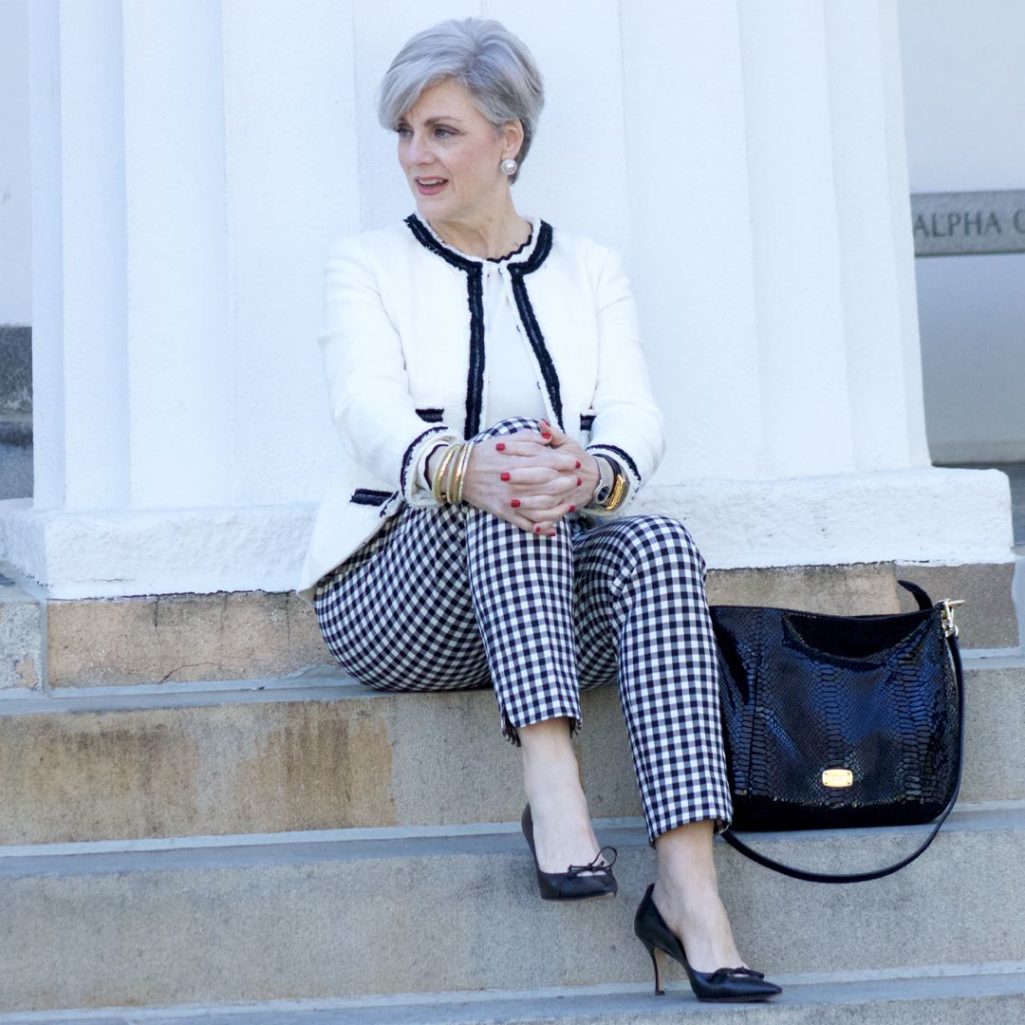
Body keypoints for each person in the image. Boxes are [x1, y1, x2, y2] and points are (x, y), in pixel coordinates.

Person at [299, 17, 781, 1004]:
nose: (413, 156)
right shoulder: (366, 263)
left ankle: (689, 889)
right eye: (404, 133)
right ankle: (550, 781)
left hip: (549, 606)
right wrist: (460, 465)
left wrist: (594, 471)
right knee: (507, 462)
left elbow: (636, 410)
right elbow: (364, 407)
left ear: (508, 137)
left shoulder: (587, 268)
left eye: (440, 131)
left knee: (653, 538)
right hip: (398, 603)